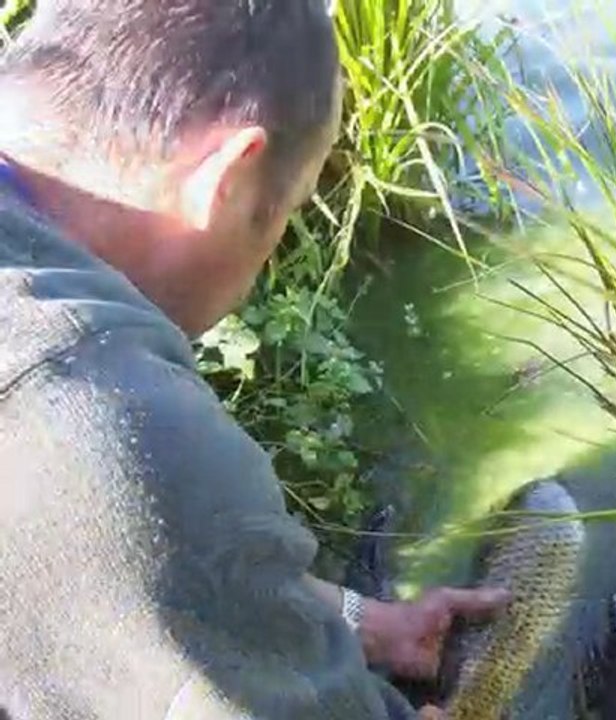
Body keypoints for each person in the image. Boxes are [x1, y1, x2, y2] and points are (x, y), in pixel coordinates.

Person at [0, 1, 509, 718]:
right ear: (228, 181)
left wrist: (356, 624)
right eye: (286, 211)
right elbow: (130, 518)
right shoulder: (106, 410)